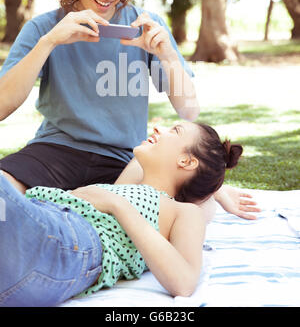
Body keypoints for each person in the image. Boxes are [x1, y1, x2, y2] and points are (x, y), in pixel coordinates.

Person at [0, 0, 199, 194]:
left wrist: (167, 57)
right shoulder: (44, 28)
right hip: (55, 150)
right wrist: (49, 43)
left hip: (124, 161)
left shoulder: (146, 26)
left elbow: (189, 111)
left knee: (172, 206)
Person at [0, 120, 244, 307]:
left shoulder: (183, 212)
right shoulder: (128, 183)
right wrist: (218, 188)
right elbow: (140, 162)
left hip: (65, 244)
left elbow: (185, 282)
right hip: (40, 225)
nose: (158, 128)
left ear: (188, 162)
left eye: (175, 131)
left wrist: (118, 205)